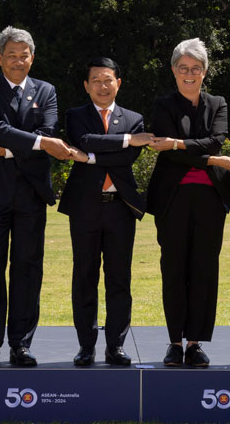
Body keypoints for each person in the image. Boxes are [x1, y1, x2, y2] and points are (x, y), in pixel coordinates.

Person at [0, 26, 73, 368]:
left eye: (24, 55)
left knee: (28, 269)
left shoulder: (46, 91)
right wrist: (38, 145)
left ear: (32, 58)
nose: (18, 61)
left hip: (31, 194)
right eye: (11, 55)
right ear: (0, 58)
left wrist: (3, 150)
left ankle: (21, 344)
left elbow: (48, 132)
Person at [145, 38, 230, 367]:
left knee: (204, 269)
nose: (190, 74)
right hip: (172, 198)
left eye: (196, 69)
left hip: (211, 200)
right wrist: (207, 157)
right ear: (174, 70)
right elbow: (193, 154)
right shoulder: (163, 105)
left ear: (205, 71)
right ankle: (175, 342)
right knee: (173, 269)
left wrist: (176, 144)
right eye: (183, 68)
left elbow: (216, 141)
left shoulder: (217, 103)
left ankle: (196, 343)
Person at [57, 57, 149, 367]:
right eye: (95, 80)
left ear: (118, 83)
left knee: (119, 279)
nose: (102, 85)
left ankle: (116, 347)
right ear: (86, 85)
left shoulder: (135, 118)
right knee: (84, 276)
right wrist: (122, 142)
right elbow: (83, 140)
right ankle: (86, 346)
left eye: (107, 79)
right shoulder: (75, 115)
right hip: (85, 208)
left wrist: (90, 157)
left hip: (120, 209)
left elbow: (127, 159)